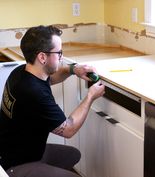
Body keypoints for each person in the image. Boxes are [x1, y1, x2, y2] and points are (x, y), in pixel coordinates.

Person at [0, 25, 105, 177]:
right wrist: (90, 97)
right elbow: (68, 129)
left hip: (15, 151)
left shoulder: (21, 72)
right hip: (16, 164)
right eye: (59, 53)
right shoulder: (33, 93)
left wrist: (73, 69)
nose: (61, 57)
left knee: (72, 154)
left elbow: (52, 78)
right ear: (42, 57)